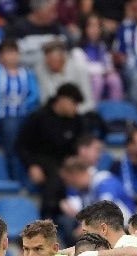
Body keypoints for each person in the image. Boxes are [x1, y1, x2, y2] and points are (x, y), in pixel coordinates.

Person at [16, 83, 89, 222]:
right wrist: (31, 166)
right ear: (62, 99)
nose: (76, 108)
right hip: (41, 161)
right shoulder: (38, 117)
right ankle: (48, 214)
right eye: (73, 103)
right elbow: (21, 145)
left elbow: (80, 145)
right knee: (56, 176)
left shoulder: (77, 121)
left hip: (67, 163)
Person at [0, 38, 40, 183]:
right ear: (0, 56)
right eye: (7, 53)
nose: (12, 56)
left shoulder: (27, 73)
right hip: (4, 117)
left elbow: (34, 95)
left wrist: (23, 106)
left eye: (14, 52)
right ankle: (15, 178)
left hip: (24, 115)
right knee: (12, 129)